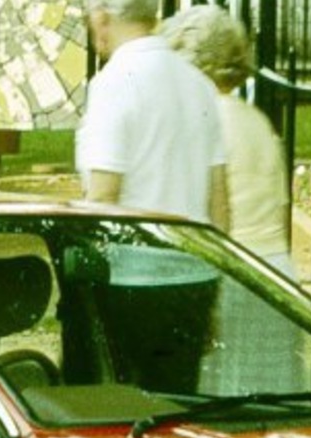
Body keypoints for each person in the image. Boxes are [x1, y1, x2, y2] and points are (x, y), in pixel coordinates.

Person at [159, 5, 291, 275]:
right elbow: (283, 209)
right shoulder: (257, 120)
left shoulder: (201, 118)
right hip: (277, 266)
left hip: (232, 263)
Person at [76, 0, 229, 227]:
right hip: (195, 252)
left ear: (101, 17)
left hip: (137, 253)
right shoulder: (200, 84)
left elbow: (103, 197)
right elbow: (219, 200)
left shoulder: (112, 82)